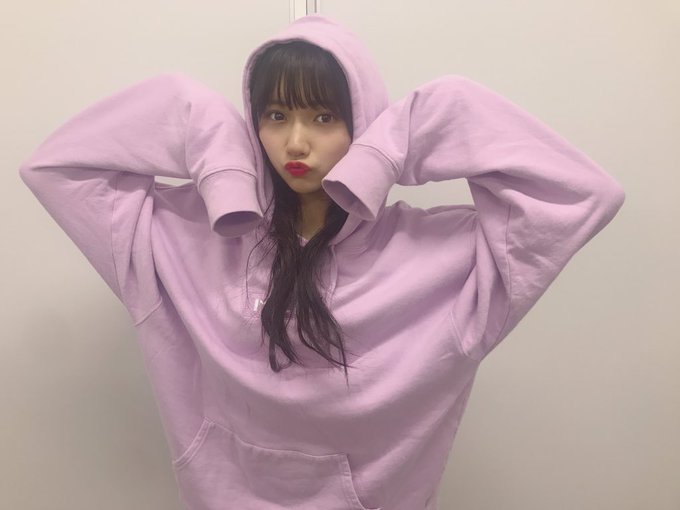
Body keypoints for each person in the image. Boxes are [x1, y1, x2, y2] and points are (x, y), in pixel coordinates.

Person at [19, 13, 625, 510]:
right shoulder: (187, 239)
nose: (296, 142)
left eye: (324, 117)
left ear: (361, 123)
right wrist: (216, 145)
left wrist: (392, 147)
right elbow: (54, 169)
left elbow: (582, 195)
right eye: (275, 116)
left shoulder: (444, 260)